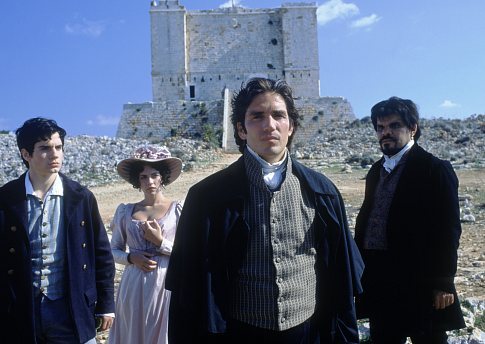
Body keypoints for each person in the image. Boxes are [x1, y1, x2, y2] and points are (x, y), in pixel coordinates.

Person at [166, 77, 364, 343]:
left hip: (307, 331)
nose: (269, 125)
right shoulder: (206, 197)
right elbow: (187, 289)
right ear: (241, 129)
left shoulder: (322, 191)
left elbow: (341, 278)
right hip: (239, 332)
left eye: (278, 116)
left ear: (291, 126)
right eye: (257, 116)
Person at [354, 97, 465, 343]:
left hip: (420, 282)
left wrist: (443, 282)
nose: (386, 133)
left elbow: (448, 230)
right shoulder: (376, 171)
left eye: (394, 126)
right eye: (381, 128)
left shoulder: (434, 169)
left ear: (412, 128)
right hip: (381, 280)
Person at [0, 117, 115, 343]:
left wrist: (106, 305)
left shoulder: (80, 197)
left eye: (58, 147)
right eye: (44, 148)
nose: (55, 154)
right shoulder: (6, 199)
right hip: (19, 309)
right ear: (26, 154)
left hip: (70, 306)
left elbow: (101, 254)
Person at [108, 145, 183, 344]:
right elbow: (113, 250)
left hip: (165, 284)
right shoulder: (125, 211)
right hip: (133, 285)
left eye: (154, 175)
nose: (149, 181)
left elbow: (189, 253)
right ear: (136, 180)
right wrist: (131, 258)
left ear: (162, 177)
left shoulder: (178, 209)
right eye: (143, 177)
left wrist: (160, 242)